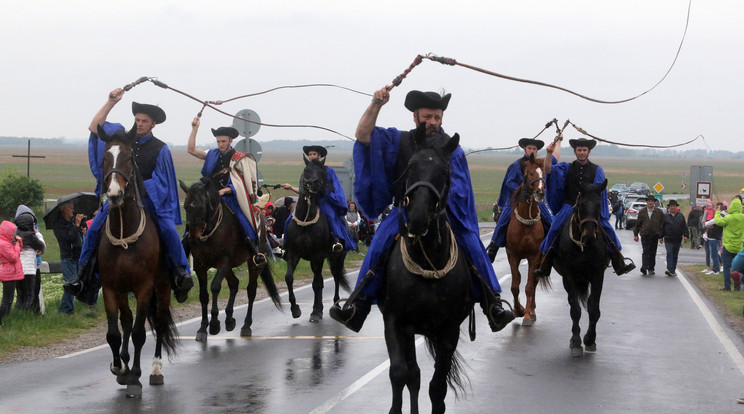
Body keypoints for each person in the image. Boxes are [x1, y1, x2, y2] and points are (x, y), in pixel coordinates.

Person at [330, 86, 514, 333]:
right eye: (427, 117)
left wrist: (437, 203)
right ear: (415, 117)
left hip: (445, 213)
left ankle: (492, 303)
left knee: (471, 243)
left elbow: (460, 189)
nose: (433, 122)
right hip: (405, 213)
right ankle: (358, 304)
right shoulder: (399, 141)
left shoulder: (452, 149)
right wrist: (376, 104)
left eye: (437, 117)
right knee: (380, 242)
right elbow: (363, 135)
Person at [64, 88, 193, 302]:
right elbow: (94, 127)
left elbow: (163, 182)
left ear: (153, 124)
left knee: (168, 229)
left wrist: (136, 187)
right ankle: (82, 277)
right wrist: (110, 102)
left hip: (150, 201)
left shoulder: (161, 149)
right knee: (95, 227)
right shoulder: (122, 141)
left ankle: (181, 272)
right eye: (137, 119)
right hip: (118, 198)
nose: (139, 123)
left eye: (144, 121)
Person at [534, 138, 635, 277]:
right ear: (575, 152)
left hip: (590, 208)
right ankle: (545, 264)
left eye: (584, 150)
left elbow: (599, 191)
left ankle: (619, 262)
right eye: (579, 150)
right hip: (570, 205)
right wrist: (549, 154)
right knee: (554, 228)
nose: (582, 153)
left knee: (607, 229)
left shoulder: (597, 170)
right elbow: (548, 170)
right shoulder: (566, 167)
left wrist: (598, 210)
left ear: (589, 152)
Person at [186, 118, 266, 266]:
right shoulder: (211, 154)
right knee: (194, 219)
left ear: (230, 141)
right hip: (211, 197)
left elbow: (243, 182)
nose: (220, 144)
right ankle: (183, 256)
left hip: (231, 197)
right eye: (218, 142)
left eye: (223, 141)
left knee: (244, 221)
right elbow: (191, 149)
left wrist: (227, 190)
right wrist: (194, 129)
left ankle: (255, 251)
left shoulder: (240, 159)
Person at [485, 137, 555, 262]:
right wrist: (523, 190)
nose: (532, 151)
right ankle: (493, 247)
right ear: (524, 149)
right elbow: (509, 182)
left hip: (535, 199)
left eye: (534, 149)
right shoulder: (517, 165)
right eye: (530, 148)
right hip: (516, 200)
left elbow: (552, 164)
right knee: (504, 219)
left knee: (549, 219)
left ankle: (553, 246)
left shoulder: (539, 164)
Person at [280, 146, 357, 254]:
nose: (312, 156)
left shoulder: (328, 171)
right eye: (310, 154)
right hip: (308, 202)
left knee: (330, 216)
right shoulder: (306, 171)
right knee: (290, 219)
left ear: (319, 156)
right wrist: (291, 187)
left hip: (323, 201)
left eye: (314, 154)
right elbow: (302, 190)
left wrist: (325, 191)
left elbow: (335, 188)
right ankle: (285, 246)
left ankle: (336, 241)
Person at [54, 201, 85, 314]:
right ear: (64, 210)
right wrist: (76, 226)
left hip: (78, 256)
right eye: (71, 208)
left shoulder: (72, 222)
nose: (73, 210)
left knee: (79, 284)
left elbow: (77, 238)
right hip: (68, 257)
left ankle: (70, 308)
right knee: (71, 284)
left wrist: (81, 230)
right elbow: (67, 239)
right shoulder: (59, 225)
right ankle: (65, 310)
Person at [13, 208, 45, 311]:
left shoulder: (15, 236)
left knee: (20, 295)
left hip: (18, 269)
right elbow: (41, 246)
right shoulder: (31, 235)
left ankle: (18, 314)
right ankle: (25, 315)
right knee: (29, 296)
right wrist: (38, 234)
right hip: (29, 270)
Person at [714, 198, 744, 291]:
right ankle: (737, 286)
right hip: (739, 245)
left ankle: (727, 286)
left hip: (728, 245)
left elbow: (718, 221)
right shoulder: (742, 217)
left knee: (726, 266)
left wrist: (718, 212)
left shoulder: (729, 217)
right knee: (737, 267)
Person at [633, 195, 664, 275]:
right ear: (647, 202)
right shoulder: (642, 211)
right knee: (645, 251)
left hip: (655, 234)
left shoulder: (659, 212)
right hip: (645, 234)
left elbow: (662, 224)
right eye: (649, 201)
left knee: (653, 252)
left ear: (654, 202)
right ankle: (644, 267)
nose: (650, 203)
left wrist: (661, 235)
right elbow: (637, 224)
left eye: (652, 201)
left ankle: (651, 268)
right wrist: (635, 234)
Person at [0, 221, 23, 326]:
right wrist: (17, 247)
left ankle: (6, 319)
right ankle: (2, 319)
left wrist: (18, 243)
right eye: (12, 232)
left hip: (11, 273)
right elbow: (14, 258)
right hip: (8, 274)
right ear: (7, 232)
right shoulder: (3, 244)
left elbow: (16, 252)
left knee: (9, 299)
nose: (14, 234)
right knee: (7, 299)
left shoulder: (7, 242)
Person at [659, 200, 688, 277]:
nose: (672, 208)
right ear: (669, 207)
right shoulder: (666, 216)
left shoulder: (681, 216)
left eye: (674, 206)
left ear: (676, 207)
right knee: (669, 253)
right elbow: (662, 227)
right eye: (671, 206)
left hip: (677, 238)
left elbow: (684, 227)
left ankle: (673, 270)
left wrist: (686, 236)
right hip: (668, 238)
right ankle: (669, 269)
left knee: (675, 254)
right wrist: (660, 237)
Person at [702, 201, 723, 275]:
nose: (716, 208)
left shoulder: (720, 215)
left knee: (714, 254)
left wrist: (706, 224)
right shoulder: (717, 214)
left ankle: (716, 269)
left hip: (714, 236)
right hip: (711, 236)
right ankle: (715, 268)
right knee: (713, 253)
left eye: (718, 207)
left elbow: (713, 221)